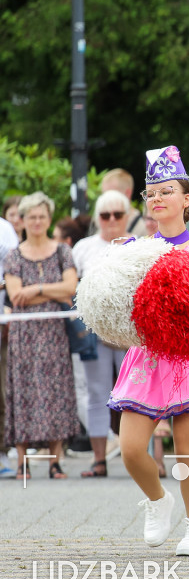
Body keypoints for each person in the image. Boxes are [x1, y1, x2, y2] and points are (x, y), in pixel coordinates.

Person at [107, 146, 189, 556]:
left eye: (167, 191)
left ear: (186, 199)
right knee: (131, 449)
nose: (157, 199)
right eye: (151, 194)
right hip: (147, 358)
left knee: (187, 450)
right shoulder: (133, 249)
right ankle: (158, 500)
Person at [3, 192, 79, 480]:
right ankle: (22, 461)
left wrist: (34, 289)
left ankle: (54, 461)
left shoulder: (62, 251)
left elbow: (70, 288)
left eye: (42, 216)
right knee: (23, 390)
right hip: (24, 334)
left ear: (49, 218)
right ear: (23, 220)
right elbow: (14, 295)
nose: (37, 221)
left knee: (56, 389)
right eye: (31, 216)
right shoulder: (14, 255)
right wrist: (51, 288)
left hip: (54, 332)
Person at [73, 190, 134, 478]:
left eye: (118, 214)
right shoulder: (84, 247)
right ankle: (99, 459)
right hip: (94, 335)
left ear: (127, 217)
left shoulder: (138, 245)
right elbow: (74, 289)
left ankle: (143, 458)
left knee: (138, 395)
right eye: (105, 215)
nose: (111, 220)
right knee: (97, 394)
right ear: (97, 218)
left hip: (132, 335)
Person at [0, 212, 20, 477]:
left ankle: (2, 453)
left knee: (1, 390)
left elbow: (15, 273)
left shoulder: (4, 229)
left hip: (1, 322)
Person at [99, 168, 148, 237]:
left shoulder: (144, 227)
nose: (106, 199)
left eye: (111, 195)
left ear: (127, 193)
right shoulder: (101, 220)